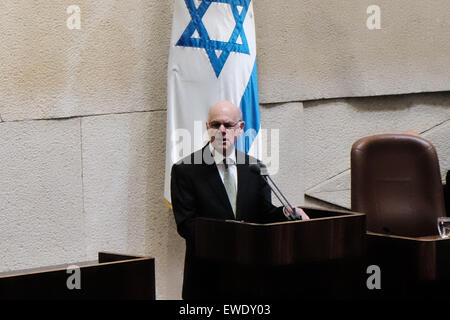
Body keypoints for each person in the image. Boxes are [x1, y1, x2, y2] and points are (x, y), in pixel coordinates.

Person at [170, 100, 308, 299]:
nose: (222, 130)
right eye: (216, 125)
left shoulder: (254, 167)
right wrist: (235, 236)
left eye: (229, 125)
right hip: (207, 278)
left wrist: (285, 213)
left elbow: (263, 214)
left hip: (250, 277)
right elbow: (186, 225)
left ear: (240, 128)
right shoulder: (186, 170)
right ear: (207, 128)